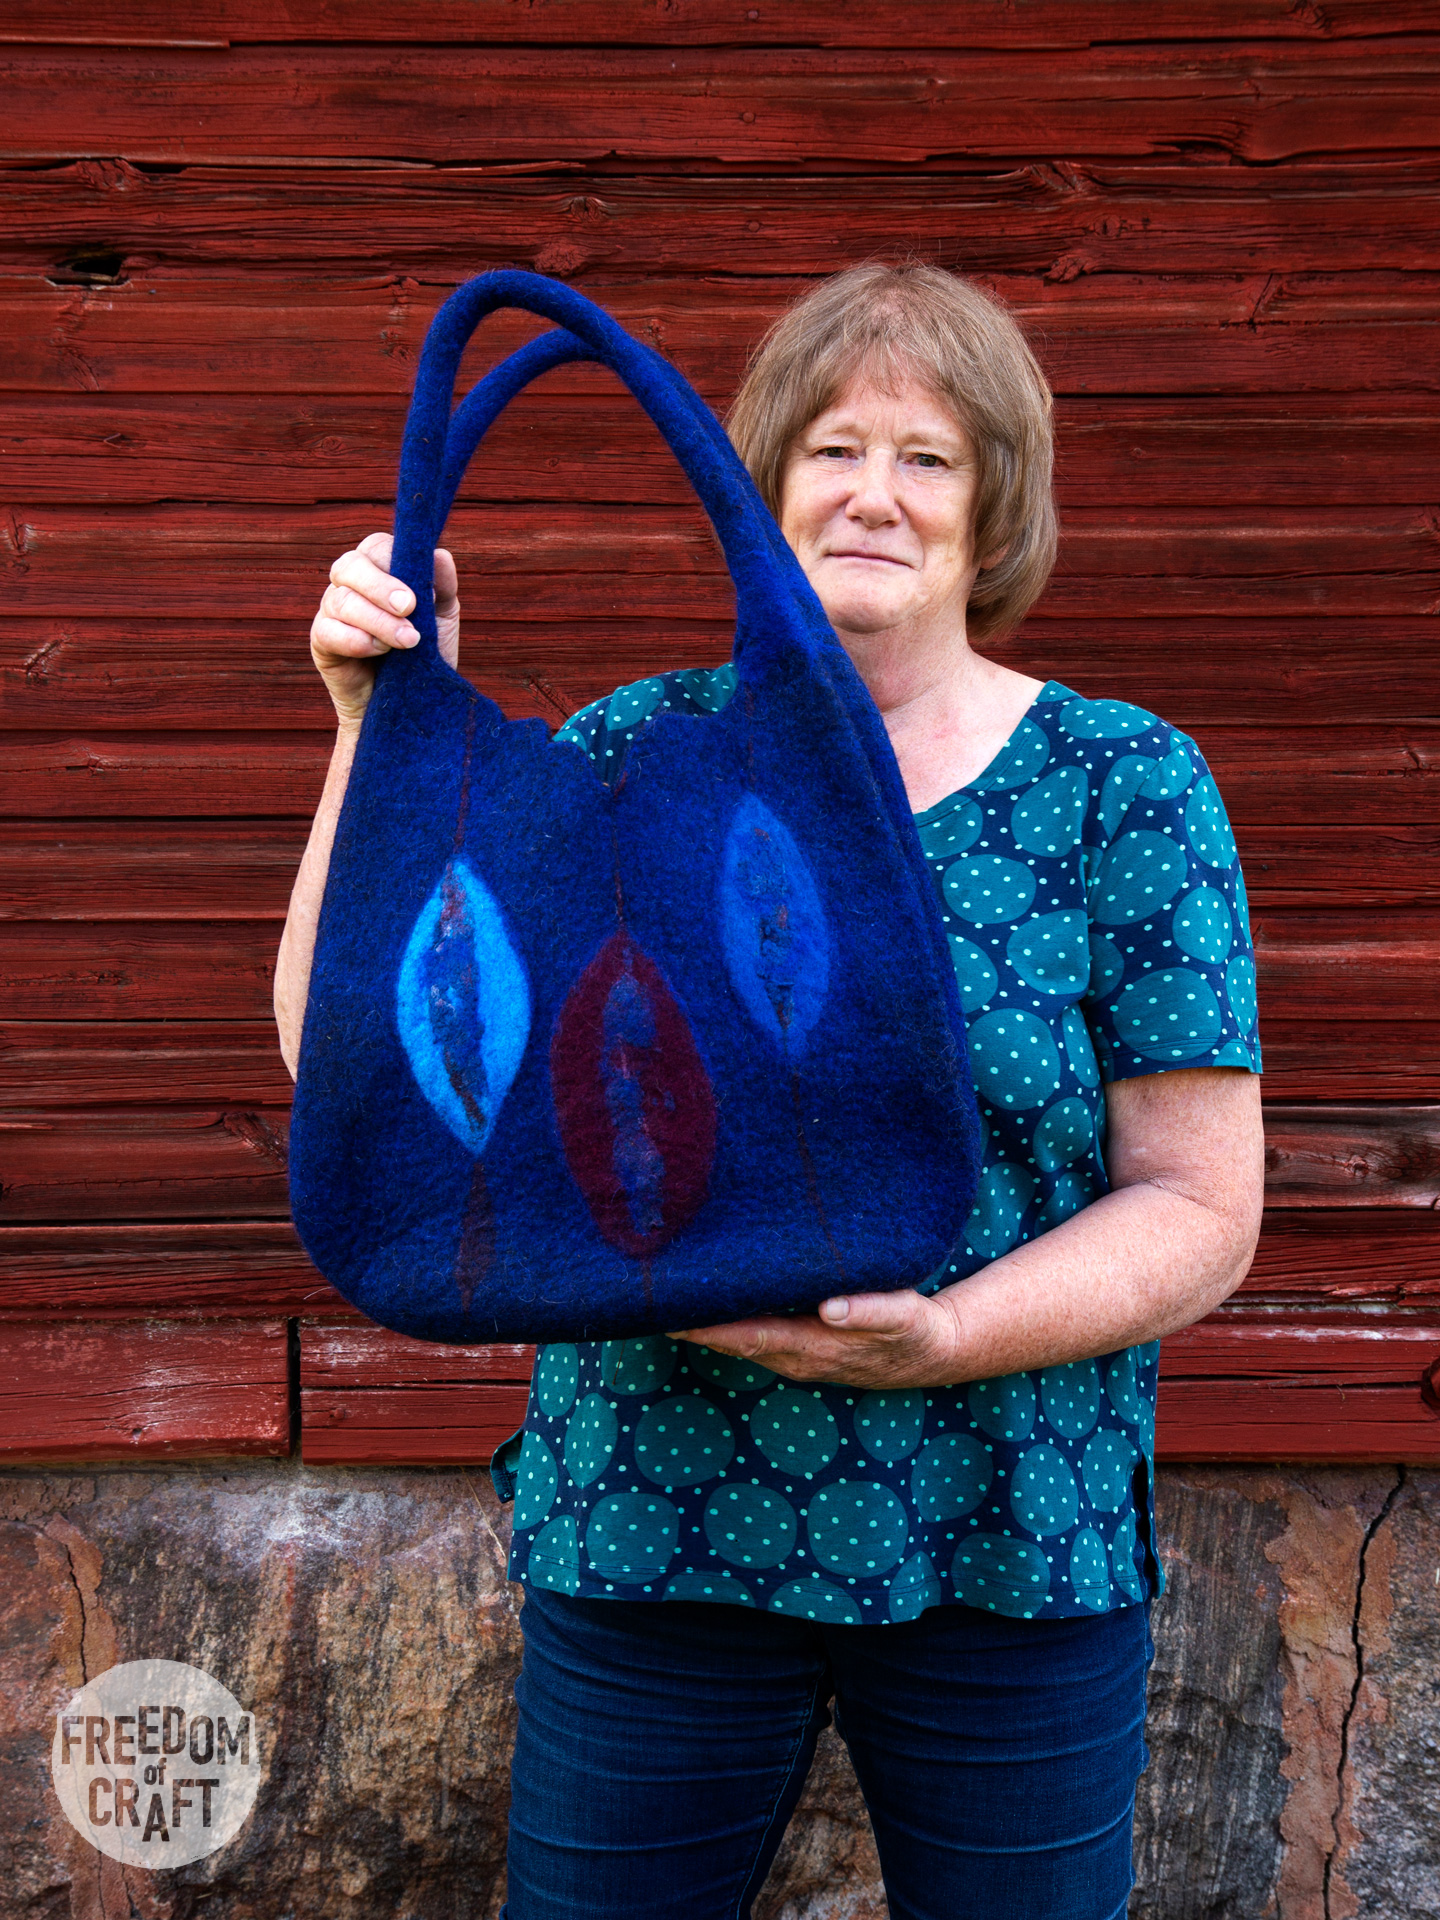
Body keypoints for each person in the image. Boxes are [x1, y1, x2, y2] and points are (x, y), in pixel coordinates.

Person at [274, 263, 1264, 1920]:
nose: (875, 492)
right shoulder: (633, 743)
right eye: (832, 447)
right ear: (766, 481)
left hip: (1011, 1529)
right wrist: (373, 728)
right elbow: (346, 1054)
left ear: (992, 503)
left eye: (930, 457)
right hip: (658, 1518)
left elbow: (1200, 1204)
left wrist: (945, 1338)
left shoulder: (1121, 783)